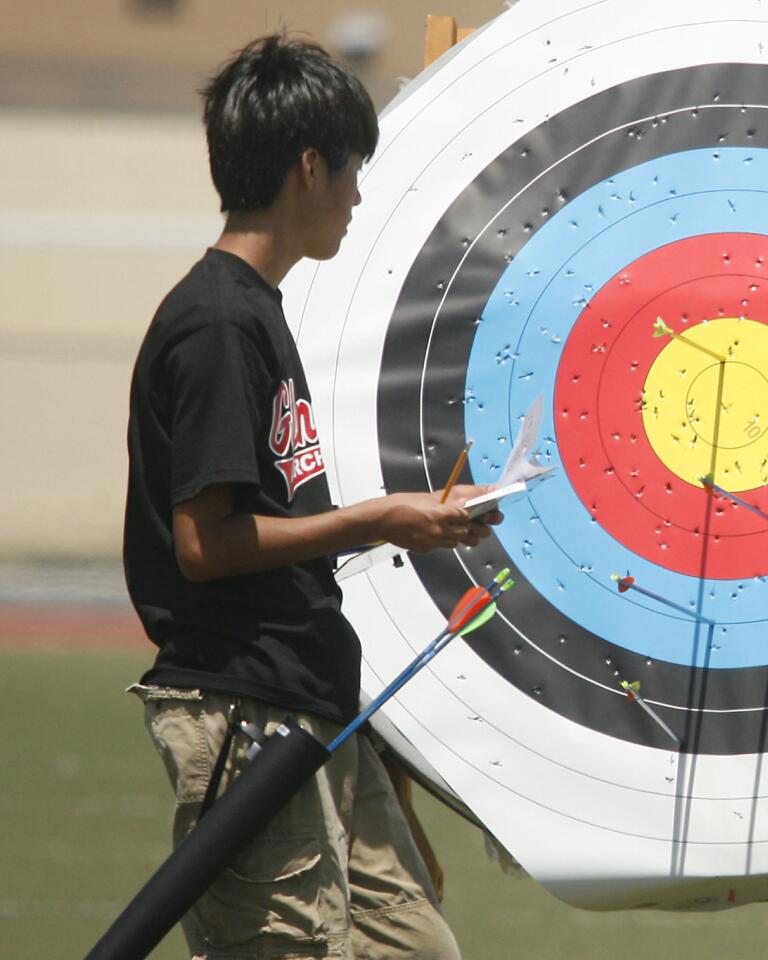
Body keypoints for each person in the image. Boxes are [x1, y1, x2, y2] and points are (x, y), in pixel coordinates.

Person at [123, 34, 492, 959]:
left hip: (306, 701)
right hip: (246, 710)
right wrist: (378, 519)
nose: (359, 197)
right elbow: (205, 544)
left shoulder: (256, 310)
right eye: (353, 171)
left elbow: (274, 516)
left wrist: (403, 513)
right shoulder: (216, 323)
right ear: (310, 166)